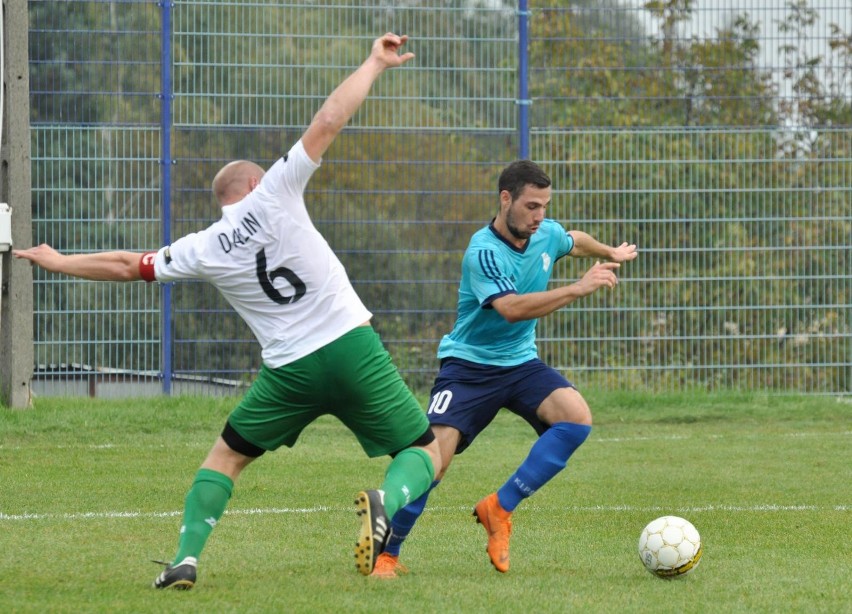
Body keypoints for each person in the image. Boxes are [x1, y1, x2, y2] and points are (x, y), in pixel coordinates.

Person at [14, 33, 441, 589]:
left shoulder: (205, 246)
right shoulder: (277, 192)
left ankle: (186, 559)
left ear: (223, 199)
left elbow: (126, 264)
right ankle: (389, 497)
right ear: (257, 182)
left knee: (226, 457)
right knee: (424, 450)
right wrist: (374, 62)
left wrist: (59, 260)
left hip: (289, 371)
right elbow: (329, 120)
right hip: (351, 346)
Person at [370, 159, 638, 578]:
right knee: (434, 462)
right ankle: (387, 553)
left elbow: (572, 240)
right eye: (531, 206)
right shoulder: (483, 252)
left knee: (576, 419)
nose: (540, 216)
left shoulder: (544, 232)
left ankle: (499, 507)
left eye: (545, 206)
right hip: (468, 368)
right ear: (505, 198)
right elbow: (511, 309)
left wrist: (609, 252)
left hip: (520, 364)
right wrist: (577, 288)